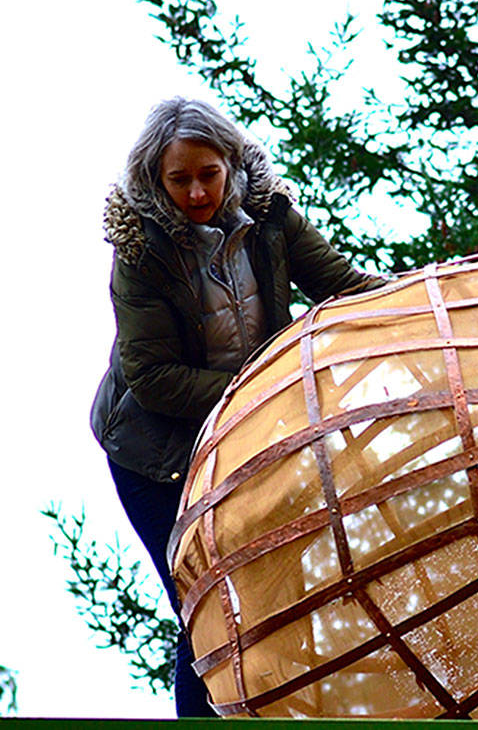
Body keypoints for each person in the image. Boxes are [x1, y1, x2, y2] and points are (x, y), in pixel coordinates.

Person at [90, 97, 381, 716]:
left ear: (230, 164)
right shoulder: (140, 250)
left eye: (208, 174)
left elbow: (342, 286)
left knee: (278, 596)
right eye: (179, 180)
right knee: (207, 610)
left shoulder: (269, 217)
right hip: (157, 454)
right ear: (154, 178)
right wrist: (259, 389)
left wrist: (421, 294)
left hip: (249, 437)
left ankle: (275, 716)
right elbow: (152, 378)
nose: (196, 192)